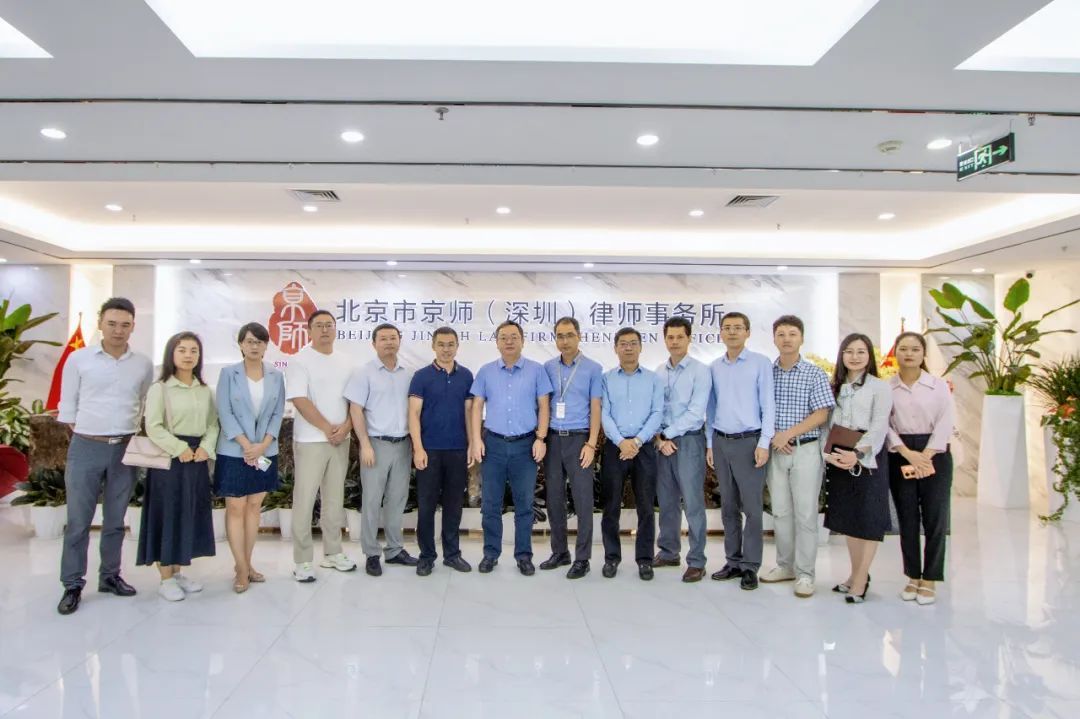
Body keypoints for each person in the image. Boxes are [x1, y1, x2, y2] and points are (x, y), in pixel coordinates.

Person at [56, 297, 153, 615]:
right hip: (86, 445)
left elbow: (143, 401)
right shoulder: (79, 359)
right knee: (78, 521)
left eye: (125, 325)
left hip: (125, 448)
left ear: (133, 327)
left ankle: (110, 576)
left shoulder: (142, 364)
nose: (118, 330)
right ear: (100, 323)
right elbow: (67, 405)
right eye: (112, 323)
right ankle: (72, 584)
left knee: (115, 519)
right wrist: (90, 433)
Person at [136, 332, 219, 601]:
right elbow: (153, 427)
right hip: (169, 460)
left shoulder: (204, 390)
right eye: (182, 350)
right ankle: (165, 578)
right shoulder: (160, 388)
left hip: (196, 459)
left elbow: (212, 424)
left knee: (187, 514)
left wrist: (206, 447)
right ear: (171, 353)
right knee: (168, 514)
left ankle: (178, 571)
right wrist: (179, 448)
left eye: (194, 350)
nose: (188, 355)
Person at [468, 320, 553, 576]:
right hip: (492, 445)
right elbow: (476, 406)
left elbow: (544, 406)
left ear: (522, 341)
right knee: (490, 504)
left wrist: (541, 438)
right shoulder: (486, 372)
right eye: (503, 337)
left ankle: (524, 556)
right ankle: (490, 554)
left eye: (514, 337)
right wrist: (476, 439)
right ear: (496, 342)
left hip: (525, 445)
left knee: (524, 505)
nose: (509, 341)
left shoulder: (537, 371)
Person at [761, 315, 835, 598]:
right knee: (780, 512)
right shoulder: (767, 373)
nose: (786, 339)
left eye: (792, 333)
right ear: (774, 338)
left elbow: (821, 413)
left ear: (801, 338)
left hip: (805, 450)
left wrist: (788, 434)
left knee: (805, 514)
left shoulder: (814, 373)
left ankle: (805, 574)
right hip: (776, 451)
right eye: (781, 334)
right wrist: (775, 439)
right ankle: (785, 566)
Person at [214, 322, 286, 593]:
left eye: (259, 341)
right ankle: (241, 569)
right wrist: (247, 445)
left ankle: (247, 563)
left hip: (265, 451)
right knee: (236, 508)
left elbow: (278, 413)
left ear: (266, 345)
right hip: (234, 451)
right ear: (241, 345)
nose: (254, 346)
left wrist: (263, 444)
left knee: (254, 507)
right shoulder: (228, 373)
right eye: (249, 341)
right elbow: (225, 412)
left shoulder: (276, 376)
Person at [706, 312, 775, 591]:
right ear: (720, 333)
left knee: (752, 509)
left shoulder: (760, 363)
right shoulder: (714, 367)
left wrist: (764, 442)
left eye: (738, 327)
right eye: (727, 328)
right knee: (728, 506)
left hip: (750, 442)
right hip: (721, 441)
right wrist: (710, 444)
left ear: (748, 332)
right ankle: (733, 561)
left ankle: (750, 566)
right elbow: (711, 408)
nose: (732, 332)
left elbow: (768, 404)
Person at [285, 310, 356, 582]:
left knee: (334, 499)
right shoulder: (300, 360)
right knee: (304, 500)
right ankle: (302, 560)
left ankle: (333, 552)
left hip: (341, 439)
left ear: (335, 329)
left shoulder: (346, 361)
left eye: (329, 325)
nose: (325, 329)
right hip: (311, 441)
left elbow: (355, 401)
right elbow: (299, 399)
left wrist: (346, 427)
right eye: (319, 325)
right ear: (309, 330)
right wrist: (327, 428)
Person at [823, 333, 893, 604]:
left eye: (861, 351)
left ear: (869, 356)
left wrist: (857, 454)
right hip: (839, 456)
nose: (855, 356)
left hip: (867, 458)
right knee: (850, 520)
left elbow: (879, 426)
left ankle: (862, 578)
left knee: (868, 519)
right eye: (849, 351)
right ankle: (854, 574)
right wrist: (828, 455)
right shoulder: (834, 387)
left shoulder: (879, 387)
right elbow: (826, 424)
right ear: (842, 355)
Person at [887, 331, 955, 606]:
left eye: (915, 349)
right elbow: (884, 425)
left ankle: (931, 578)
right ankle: (913, 575)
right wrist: (906, 453)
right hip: (900, 452)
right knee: (907, 518)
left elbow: (946, 420)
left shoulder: (938, 386)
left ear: (923, 353)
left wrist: (925, 456)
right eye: (903, 348)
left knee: (935, 518)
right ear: (895, 353)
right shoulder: (887, 388)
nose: (909, 354)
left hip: (934, 453)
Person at [346, 323, 418, 576]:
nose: (389, 342)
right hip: (375, 444)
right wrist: (364, 444)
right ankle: (372, 553)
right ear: (374, 343)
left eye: (393, 338)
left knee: (397, 500)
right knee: (372, 500)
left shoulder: (409, 374)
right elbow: (356, 410)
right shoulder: (363, 372)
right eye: (383, 338)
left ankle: (395, 550)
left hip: (403, 444)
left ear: (399, 341)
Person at [408, 326, 475, 576]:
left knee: (453, 505)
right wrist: (418, 448)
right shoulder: (421, 376)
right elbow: (413, 414)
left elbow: (469, 413)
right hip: (429, 451)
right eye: (441, 344)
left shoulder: (466, 376)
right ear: (433, 346)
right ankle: (426, 556)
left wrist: (471, 444)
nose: (446, 349)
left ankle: (452, 554)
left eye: (451, 344)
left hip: (457, 450)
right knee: (426, 506)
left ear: (457, 346)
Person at [540, 317, 603, 580]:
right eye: (560, 336)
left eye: (569, 335)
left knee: (583, 499)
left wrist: (591, 443)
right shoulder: (547, 367)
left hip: (579, 440)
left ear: (579, 336)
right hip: (553, 439)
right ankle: (560, 552)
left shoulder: (593, 368)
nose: (564, 341)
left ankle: (582, 558)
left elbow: (596, 408)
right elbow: (543, 404)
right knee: (554, 499)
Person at [599, 327, 664, 581]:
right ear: (615, 348)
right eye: (623, 343)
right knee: (610, 505)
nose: (628, 348)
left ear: (641, 347)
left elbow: (657, 413)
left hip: (643, 447)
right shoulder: (606, 379)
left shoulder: (653, 379)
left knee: (646, 506)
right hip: (614, 448)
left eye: (633, 343)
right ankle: (611, 558)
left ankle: (645, 560)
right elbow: (604, 413)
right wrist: (620, 442)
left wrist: (636, 441)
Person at [653, 317, 712, 583]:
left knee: (693, 503)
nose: (674, 342)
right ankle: (668, 552)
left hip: (688, 441)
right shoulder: (658, 372)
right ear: (665, 339)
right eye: (670, 337)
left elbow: (696, 412)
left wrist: (668, 434)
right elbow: (655, 409)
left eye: (680, 337)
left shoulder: (700, 371)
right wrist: (659, 439)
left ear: (689, 339)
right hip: (663, 444)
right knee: (667, 502)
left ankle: (697, 560)